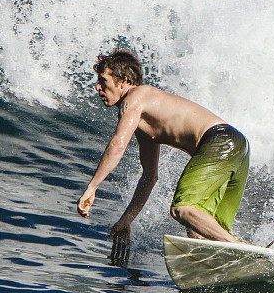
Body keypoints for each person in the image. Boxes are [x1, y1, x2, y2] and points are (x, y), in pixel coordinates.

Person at [77, 49, 250, 265]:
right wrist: (127, 220)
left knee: (182, 209)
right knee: (200, 231)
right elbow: (150, 176)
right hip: (238, 145)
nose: (98, 87)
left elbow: (118, 144)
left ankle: (242, 249)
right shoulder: (145, 124)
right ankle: (242, 261)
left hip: (220, 140)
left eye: (103, 80)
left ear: (123, 81)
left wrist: (92, 187)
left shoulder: (135, 98)